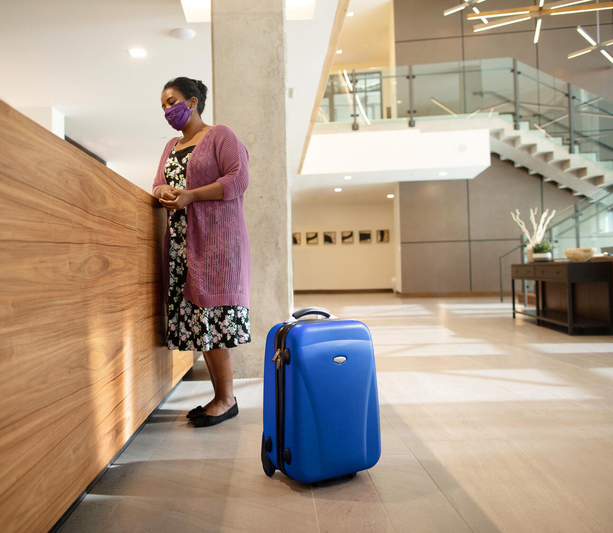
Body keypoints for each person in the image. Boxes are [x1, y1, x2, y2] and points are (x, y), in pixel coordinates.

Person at [152, 77, 251, 427]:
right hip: (182, 244)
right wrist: (164, 190)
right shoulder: (170, 146)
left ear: (192, 102)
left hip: (216, 245)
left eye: (171, 101)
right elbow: (158, 184)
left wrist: (190, 195)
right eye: (163, 105)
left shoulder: (220, 135)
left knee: (212, 321)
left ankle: (226, 399)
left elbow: (238, 179)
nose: (167, 109)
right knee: (199, 325)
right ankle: (222, 397)